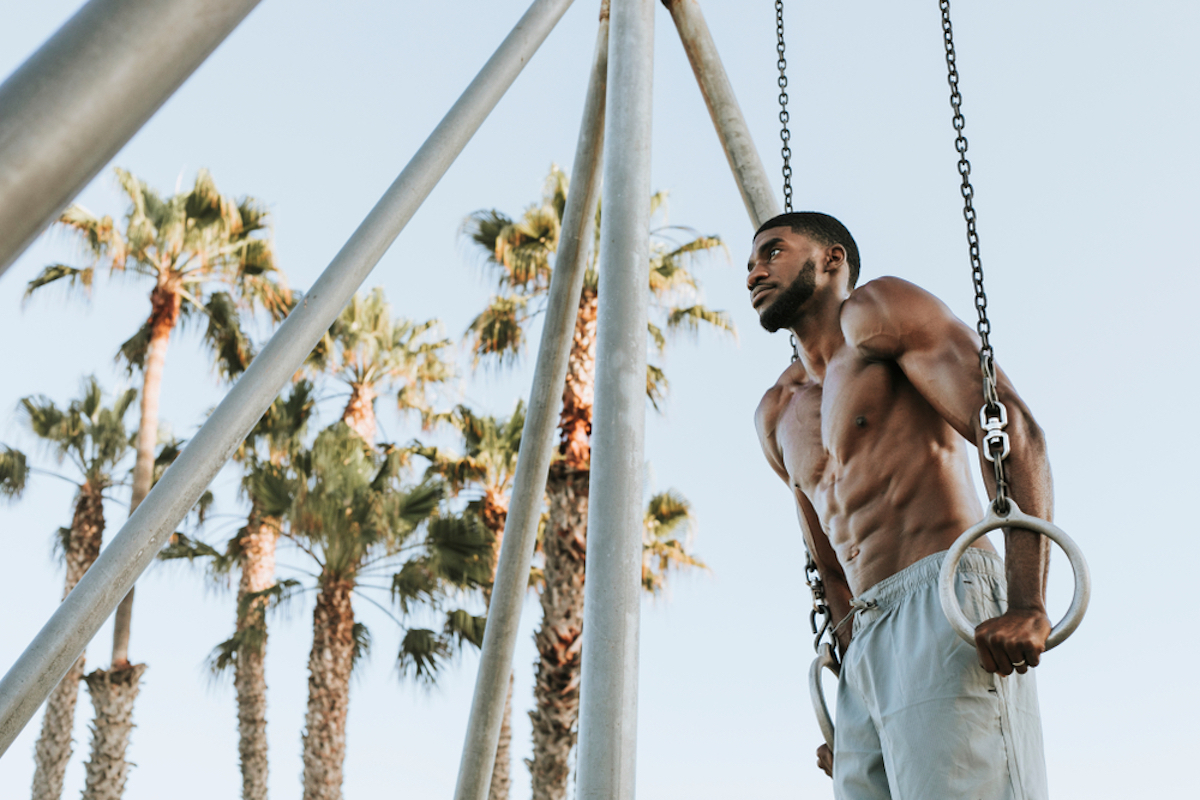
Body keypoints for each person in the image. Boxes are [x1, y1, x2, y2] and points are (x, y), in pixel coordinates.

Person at [750, 212, 1052, 799]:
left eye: (773, 253)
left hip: (943, 594)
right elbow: (828, 562)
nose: (755, 273)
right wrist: (852, 691)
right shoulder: (777, 412)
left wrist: (1029, 602)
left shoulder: (878, 313)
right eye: (750, 264)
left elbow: (1009, 429)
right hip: (864, 635)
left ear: (832, 260)